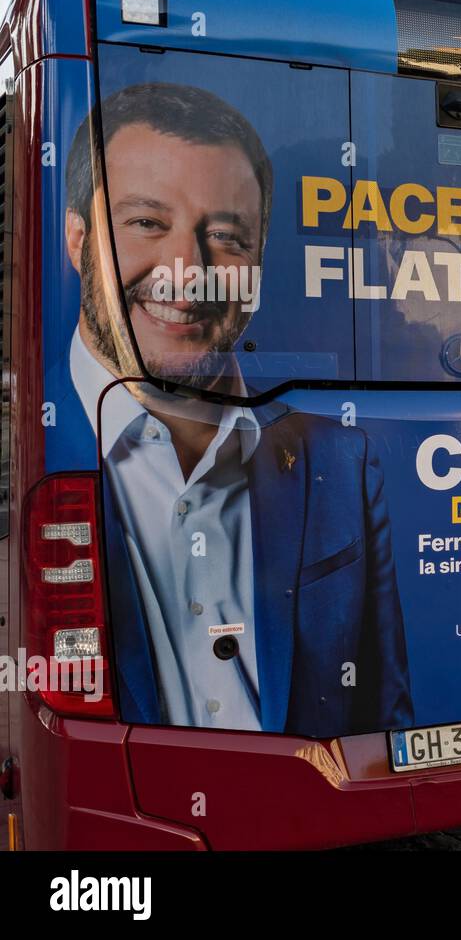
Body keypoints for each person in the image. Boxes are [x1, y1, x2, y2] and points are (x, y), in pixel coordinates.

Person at [60, 82, 412, 736]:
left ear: (258, 256)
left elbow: (382, 715)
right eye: (146, 222)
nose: (187, 271)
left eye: (224, 235)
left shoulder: (340, 458)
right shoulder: (40, 446)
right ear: (77, 240)